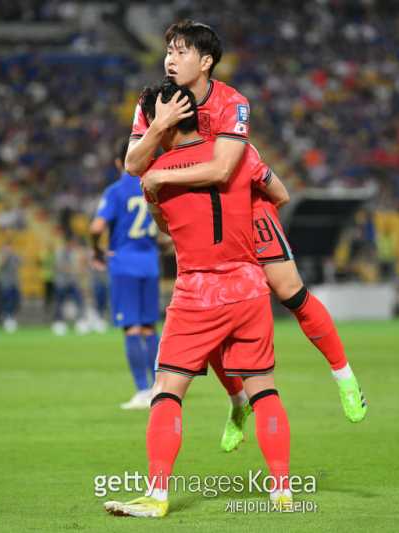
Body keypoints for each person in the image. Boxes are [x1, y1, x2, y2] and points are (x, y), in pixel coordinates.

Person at [127, 20, 366, 452]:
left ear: (205, 62)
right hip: (200, 218)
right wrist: (160, 129)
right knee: (211, 307)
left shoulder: (232, 102)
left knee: (289, 291)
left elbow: (226, 170)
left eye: (181, 52)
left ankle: (343, 375)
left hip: (247, 210)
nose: (170, 59)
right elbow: (131, 164)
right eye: (168, 51)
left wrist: (165, 175)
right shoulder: (152, 104)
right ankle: (238, 401)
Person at [105, 82, 292, 518]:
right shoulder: (239, 154)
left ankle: (156, 494)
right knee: (263, 389)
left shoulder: (157, 173)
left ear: (163, 122)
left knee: (167, 391)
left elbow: (166, 228)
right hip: (249, 286)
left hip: (198, 291)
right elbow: (279, 195)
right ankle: (282, 489)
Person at [90, 139, 160, 409]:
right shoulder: (153, 186)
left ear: (120, 162)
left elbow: (96, 227)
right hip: (150, 263)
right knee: (149, 327)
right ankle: (159, 387)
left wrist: (97, 252)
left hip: (124, 265)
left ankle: (143, 391)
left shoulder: (116, 190)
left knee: (131, 328)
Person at [51, 238, 85, 336]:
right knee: (59, 303)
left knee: (79, 301)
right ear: (69, 242)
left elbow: (77, 267)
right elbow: (58, 266)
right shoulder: (60, 252)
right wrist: (72, 269)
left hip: (72, 282)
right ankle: (58, 322)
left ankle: (80, 321)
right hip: (61, 282)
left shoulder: (73, 253)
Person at [0, 240, 21, 333]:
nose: (9, 249)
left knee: (16, 301)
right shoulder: (0, 255)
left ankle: (11, 317)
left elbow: (20, 263)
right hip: (5, 283)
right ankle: (7, 318)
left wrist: (13, 256)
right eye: (7, 247)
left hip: (15, 282)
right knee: (7, 301)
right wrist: (6, 256)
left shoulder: (14, 256)